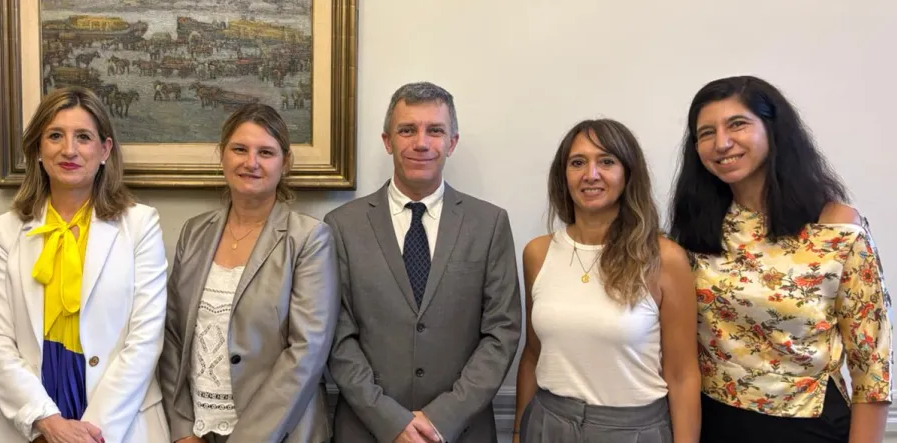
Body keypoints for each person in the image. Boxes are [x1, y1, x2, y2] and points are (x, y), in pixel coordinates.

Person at [668, 75, 892, 443]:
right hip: (712, 420)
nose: (721, 143)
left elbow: (873, 367)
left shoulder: (836, 228)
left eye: (737, 124)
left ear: (773, 130)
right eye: (706, 133)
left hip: (808, 425)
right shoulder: (695, 230)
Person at [324, 82, 522, 443]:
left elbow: (502, 332)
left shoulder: (489, 223)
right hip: (367, 430)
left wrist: (442, 418)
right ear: (387, 141)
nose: (421, 142)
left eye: (435, 130)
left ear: (452, 142)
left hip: (461, 431)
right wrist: (390, 421)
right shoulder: (341, 225)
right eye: (407, 130)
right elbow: (337, 336)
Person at [0, 86, 169, 443]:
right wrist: (47, 422)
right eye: (55, 136)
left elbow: (145, 340)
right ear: (38, 149)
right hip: (31, 417)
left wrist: (88, 434)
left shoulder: (140, 225)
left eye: (83, 137)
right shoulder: (6, 230)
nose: (69, 149)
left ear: (104, 150)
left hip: (120, 419)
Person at [512, 119, 700, 443]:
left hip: (633, 430)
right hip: (548, 424)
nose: (591, 174)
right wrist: (518, 432)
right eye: (577, 163)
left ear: (628, 173)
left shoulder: (664, 259)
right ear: (563, 175)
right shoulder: (538, 254)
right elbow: (533, 353)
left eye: (607, 161)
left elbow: (682, 375)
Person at [159, 103, 338, 443]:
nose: (251, 162)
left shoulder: (309, 239)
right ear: (222, 155)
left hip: (279, 434)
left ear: (285, 163)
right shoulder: (194, 233)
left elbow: (307, 352)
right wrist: (182, 428)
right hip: (199, 431)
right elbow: (172, 336)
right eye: (240, 149)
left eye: (265, 152)